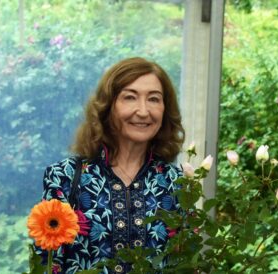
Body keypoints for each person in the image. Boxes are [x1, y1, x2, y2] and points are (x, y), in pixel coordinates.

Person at [36, 57, 185, 273]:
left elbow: (183, 264)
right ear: (108, 107)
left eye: (154, 99)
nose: (143, 111)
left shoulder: (176, 182)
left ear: (165, 109)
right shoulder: (65, 177)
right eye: (130, 97)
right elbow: (47, 265)